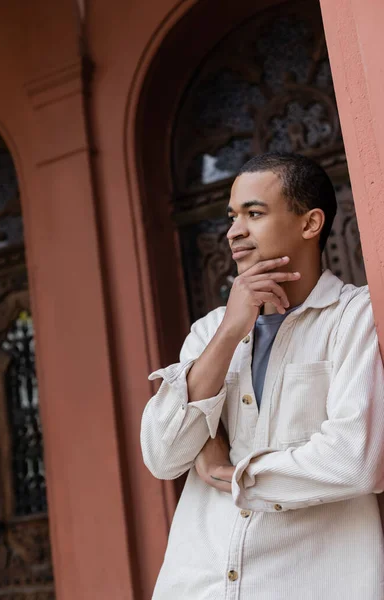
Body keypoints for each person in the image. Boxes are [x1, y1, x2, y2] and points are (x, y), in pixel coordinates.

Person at [141, 152, 384, 600]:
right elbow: (163, 455)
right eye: (232, 216)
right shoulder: (211, 331)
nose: (234, 231)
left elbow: (355, 461)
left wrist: (233, 474)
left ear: (311, 223)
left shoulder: (356, 318)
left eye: (254, 213)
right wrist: (233, 328)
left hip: (309, 582)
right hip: (197, 583)